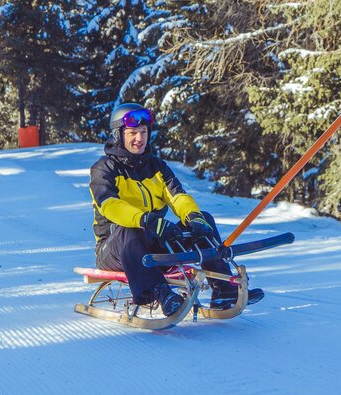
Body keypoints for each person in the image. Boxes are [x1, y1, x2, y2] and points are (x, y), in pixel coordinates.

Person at [88, 102, 263, 315]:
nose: (139, 138)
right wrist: (147, 220)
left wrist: (193, 217)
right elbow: (110, 206)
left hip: (154, 243)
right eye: (133, 132)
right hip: (115, 249)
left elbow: (178, 196)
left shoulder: (157, 167)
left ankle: (224, 290)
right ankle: (161, 294)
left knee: (203, 220)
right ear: (118, 135)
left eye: (143, 132)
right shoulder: (104, 169)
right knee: (130, 231)